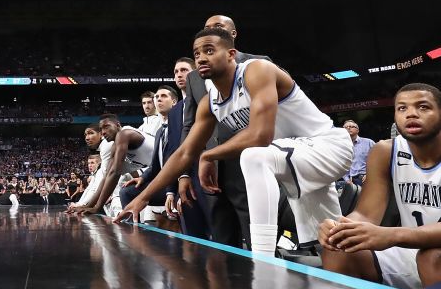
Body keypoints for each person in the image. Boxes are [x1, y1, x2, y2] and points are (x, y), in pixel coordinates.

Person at [116, 27, 352, 258]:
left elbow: (260, 136)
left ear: (231, 54)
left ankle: (263, 260)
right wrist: (142, 197)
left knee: (253, 156)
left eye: (209, 50)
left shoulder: (257, 70)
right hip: (297, 159)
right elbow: (184, 153)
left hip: (328, 146)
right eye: (197, 54)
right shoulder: (211, 102)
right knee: (332, 241)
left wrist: (209, 155)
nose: (201, 58)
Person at [319, 83, 441, 289]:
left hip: (428, 253)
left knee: (432, 257)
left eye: (423, 107)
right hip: (411, 248)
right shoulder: (385, 151)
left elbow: (393, 236)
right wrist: (340, 227)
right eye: (402, 108)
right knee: (340, 247)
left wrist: (391, 234)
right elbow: (366, 214)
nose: (411, 114)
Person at [180, 14, 271, 246]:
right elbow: (189, 125)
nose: (210, 31)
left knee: (258, 237)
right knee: (222, 241)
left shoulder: (260, 63)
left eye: (217, 27)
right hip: (211, 169)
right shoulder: (193, 78)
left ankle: (267, 279)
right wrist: (183, 173)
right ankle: (231, 283)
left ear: (233, 35)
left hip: (249, 159)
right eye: (206, 28)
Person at [77, 113, 155, 216]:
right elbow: (107, 177)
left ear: (117, 125)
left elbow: (115, 172)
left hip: (168, 172)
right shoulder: (115, 146)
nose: (103, 132)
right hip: (155, 172)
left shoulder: (124, 134)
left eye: (107, 127)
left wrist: (97, 207)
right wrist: (89, 206)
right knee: (124, 190)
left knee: (125, 192)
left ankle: (129, 225)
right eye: (101, 129)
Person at [119, 85, 179, 216]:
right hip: (154, 175)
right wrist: (142, 177)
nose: (158, 100)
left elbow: (177, 159)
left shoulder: (179, 124)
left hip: (177, 179)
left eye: (162, 96)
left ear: (174, 102)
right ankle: (130, 229)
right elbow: (156, 162)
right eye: (156, 97)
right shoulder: (156, 131)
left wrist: (171, 191)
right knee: (126, 190)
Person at [342, 120, 375, 186]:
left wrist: (370, 173)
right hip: (353, 182)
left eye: (351, 126)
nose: (348, 128)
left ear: (357, 130)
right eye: (346, 127)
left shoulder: (368, 142)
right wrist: (347, 180)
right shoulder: (342, 147)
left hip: (370, 178)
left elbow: (379, 159)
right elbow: (342, 165)